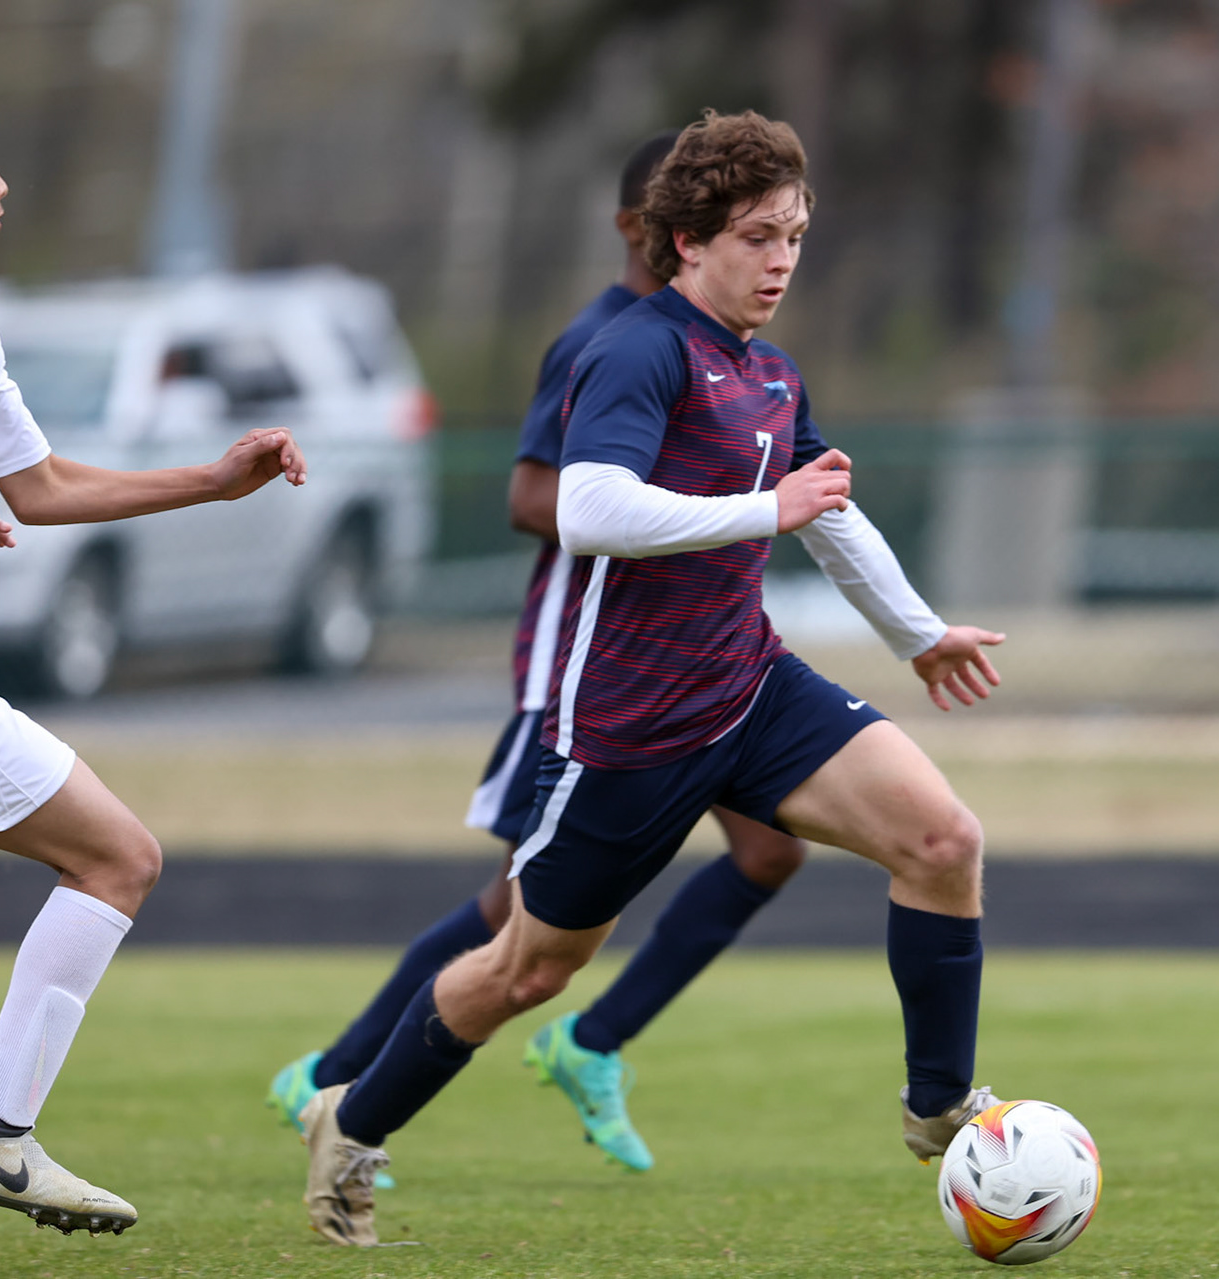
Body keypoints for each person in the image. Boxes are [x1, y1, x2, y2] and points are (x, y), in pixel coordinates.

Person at [292, 107, 1007, 1249]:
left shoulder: (768, 370)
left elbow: (828, 508)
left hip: (750, 684)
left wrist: (917, 634)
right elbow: (586, 507)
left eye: (795, 237)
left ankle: (940, 1113)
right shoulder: (638, 347)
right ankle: (353, 1120)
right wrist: (763, 511)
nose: (781, 260)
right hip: (627, 727)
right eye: (758, 236)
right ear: (687, 242)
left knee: (942, 841)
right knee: (529, 970)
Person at [265, 129, 808, 1176]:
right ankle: (331, 1074)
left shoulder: (732, 353)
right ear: (648, 228)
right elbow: (532, 496)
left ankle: (591, 1042)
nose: (765, 249)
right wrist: (714, 508)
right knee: (519, 913)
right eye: (737, 224)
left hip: (701, 670)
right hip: (585, 668)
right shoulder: (608, 339)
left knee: (770, 848)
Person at [0, 52, 307, 1236]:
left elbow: (40, 486)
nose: (1, 185)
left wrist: (209, 481)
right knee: (118, 855)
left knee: (112, 856)